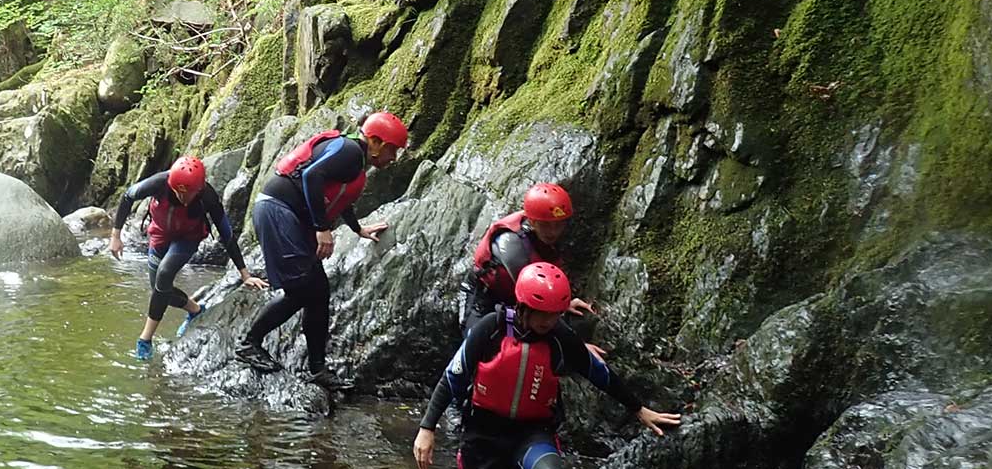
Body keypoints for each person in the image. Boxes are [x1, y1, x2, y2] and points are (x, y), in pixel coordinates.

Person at [413, 262, 684, 469]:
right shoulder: (491, 329)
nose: (547, 321)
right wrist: (427, 428)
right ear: (522, 306)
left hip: (532, 433)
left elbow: (599, 374)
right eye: (541, 313)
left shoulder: (560, 337)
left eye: (554, 314)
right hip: (483, 435)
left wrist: (638, 409)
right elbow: (452, 377)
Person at [230, 111, 409, 388]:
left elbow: (339, 197)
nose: (393, 158)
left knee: (318, 291)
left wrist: (357, 229)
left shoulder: (353, 158)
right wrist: (321, 227)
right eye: (392, 150)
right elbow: (312, 176)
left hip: (288, 214)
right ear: (375, 141)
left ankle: (317, 369)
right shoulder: (350, 152)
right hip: (278, 210)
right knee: (302, 289)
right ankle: (248, 344)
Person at [109, 156, 269, 360]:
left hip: (187, 240)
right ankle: (195, 309)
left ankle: (145, 339)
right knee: (158, 288)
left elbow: (226, 234)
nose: (183, 199)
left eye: (189, 194)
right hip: (159, 235)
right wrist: (115, 235)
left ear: (199, 190)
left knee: (164, 275)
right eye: (178, 193)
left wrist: (245, 274)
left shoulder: (207, 196)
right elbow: (128, 197)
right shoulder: (160, 182)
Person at [463, 183, 605, 363]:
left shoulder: (544, 237)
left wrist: (565, 303)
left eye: (558, 225)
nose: (553, 232)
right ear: (532, 221)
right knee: (476, 351)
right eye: (546, 225)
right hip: (483, 300)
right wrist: (578, 348)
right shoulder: (511, 245)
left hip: (516, 302)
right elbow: (540, 302)